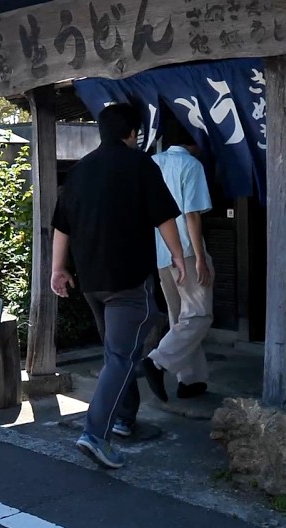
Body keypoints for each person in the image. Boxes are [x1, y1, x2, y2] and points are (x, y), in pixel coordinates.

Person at [50, 102, 186, 470]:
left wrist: (57, 269)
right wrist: (178, 256)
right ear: (132, 134)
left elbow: (61, 226)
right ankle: (95, 434)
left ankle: (124, 417)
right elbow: (164, 216)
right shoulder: (140, 164)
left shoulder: (79, 171)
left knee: (117, 352)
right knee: (121, 356)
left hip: (91, 281)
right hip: (127, 279)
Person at [145, 120, 215, 400]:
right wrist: (200, 258)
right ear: (195, 142)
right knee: (198, 315)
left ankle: (190, 380)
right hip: (185, 249)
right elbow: (192, 214)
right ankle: (157, 361)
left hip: (161, 251)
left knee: (180, 318)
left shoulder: (153, 163)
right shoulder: (191, 165)